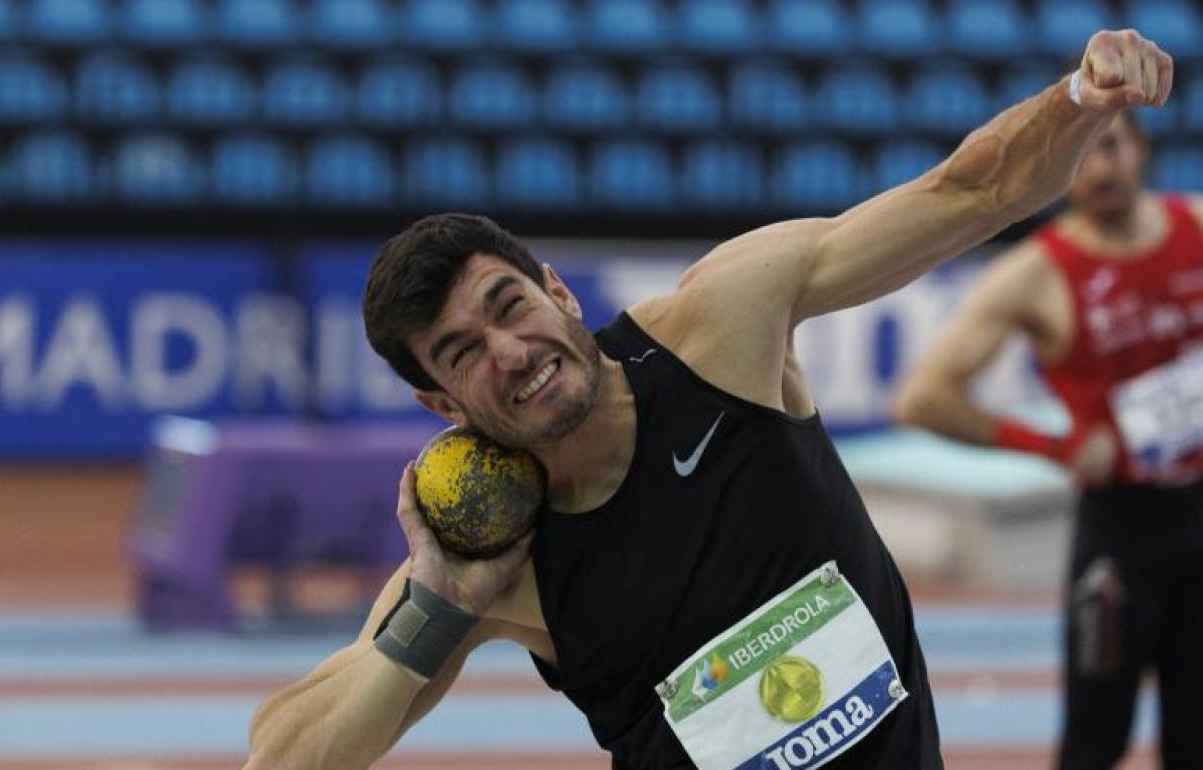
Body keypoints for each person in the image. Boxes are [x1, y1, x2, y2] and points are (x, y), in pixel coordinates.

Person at [244, 30, 1172, 770]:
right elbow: (281, 761)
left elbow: (971, 191)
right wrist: (437, 609)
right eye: (462, 353)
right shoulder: (497, 553)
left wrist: (1081, 100)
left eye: (509, 305)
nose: (511, 351)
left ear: (558, 291)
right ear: (438, 403)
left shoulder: (719, 332)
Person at [894, 98, 1203, 770]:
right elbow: (922, 397)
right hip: (1121, 531)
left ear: (1143, 150)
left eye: (1114, 145)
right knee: (1094, 740)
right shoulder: (1033, 276)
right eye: (1084, 151)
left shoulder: (1198, 227)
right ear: (1060, 168)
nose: (1102, 167)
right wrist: (1054, 448)